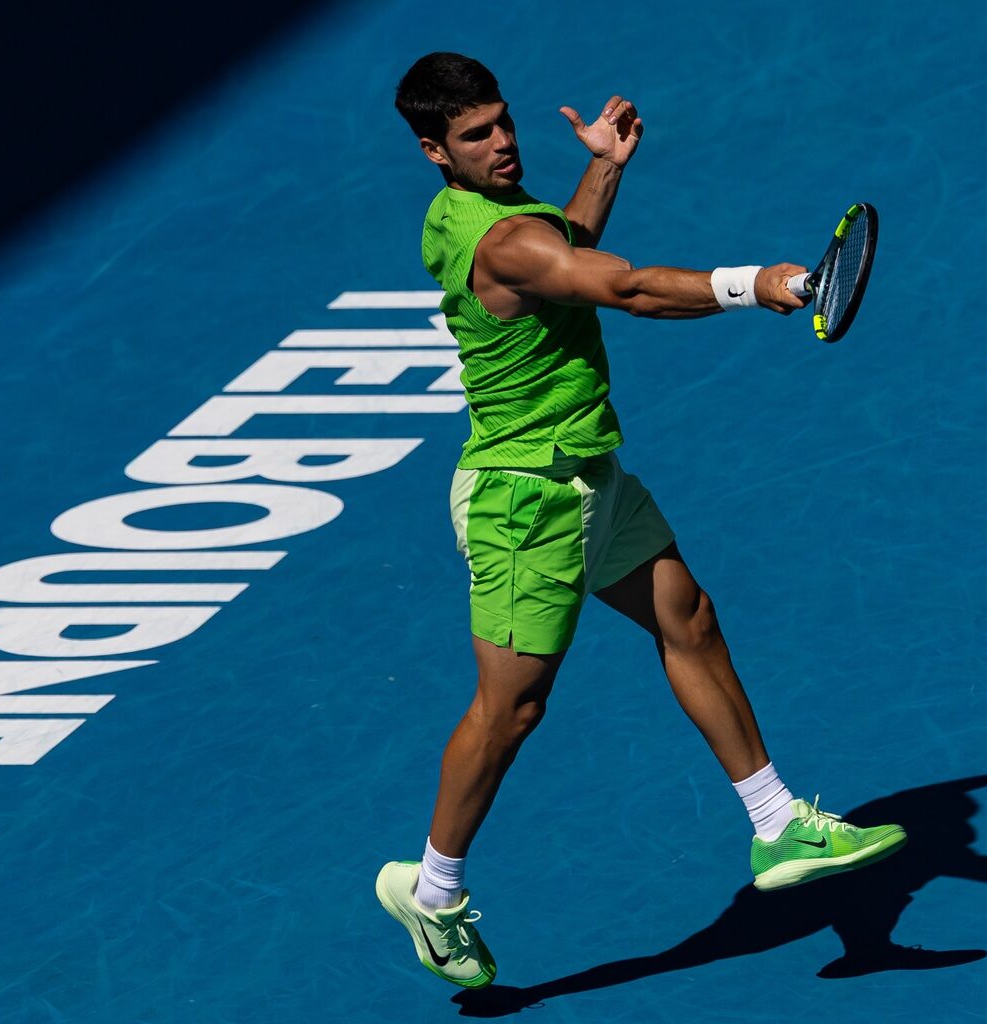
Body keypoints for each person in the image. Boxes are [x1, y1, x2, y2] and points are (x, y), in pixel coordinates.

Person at [375, 52, 906, 989]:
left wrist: (604, 164)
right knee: (511, 713)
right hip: (525, 503)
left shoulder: (498, 223)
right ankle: (432, 891)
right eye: (475, 136)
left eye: (502, 122)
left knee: (686, 618)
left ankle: (777, 824)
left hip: (588, 473)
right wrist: (753, 284)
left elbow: (568, 255)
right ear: (432, 150)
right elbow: (618, 286)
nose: (501, 144)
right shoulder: (497, 241)